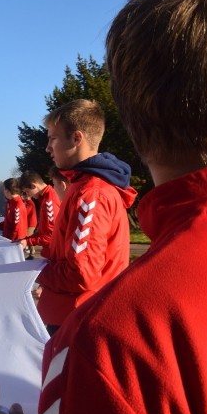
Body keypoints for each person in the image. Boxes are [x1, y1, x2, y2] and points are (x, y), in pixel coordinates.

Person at [0, 0, 207, 414]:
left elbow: (81, 269)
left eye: (53, 140)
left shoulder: (109, 344)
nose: (47, 150)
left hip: (75, 313)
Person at [35, 99, 137, 336]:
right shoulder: (81, 187)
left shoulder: (91, 194)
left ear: (77, 138)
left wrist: (32, 272)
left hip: (78, 322)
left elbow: (81, 274)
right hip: (73, 318)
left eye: (52, 138)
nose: (47, 148)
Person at [18, 171, 60, 259]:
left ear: (34, 185)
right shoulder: (45, 198)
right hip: (52, 252)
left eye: (27, 191)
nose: (28, 195)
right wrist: (26, 239)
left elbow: (51, 235)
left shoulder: (49, 201)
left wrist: (28, 241)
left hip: (55, 253)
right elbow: (44, 231)